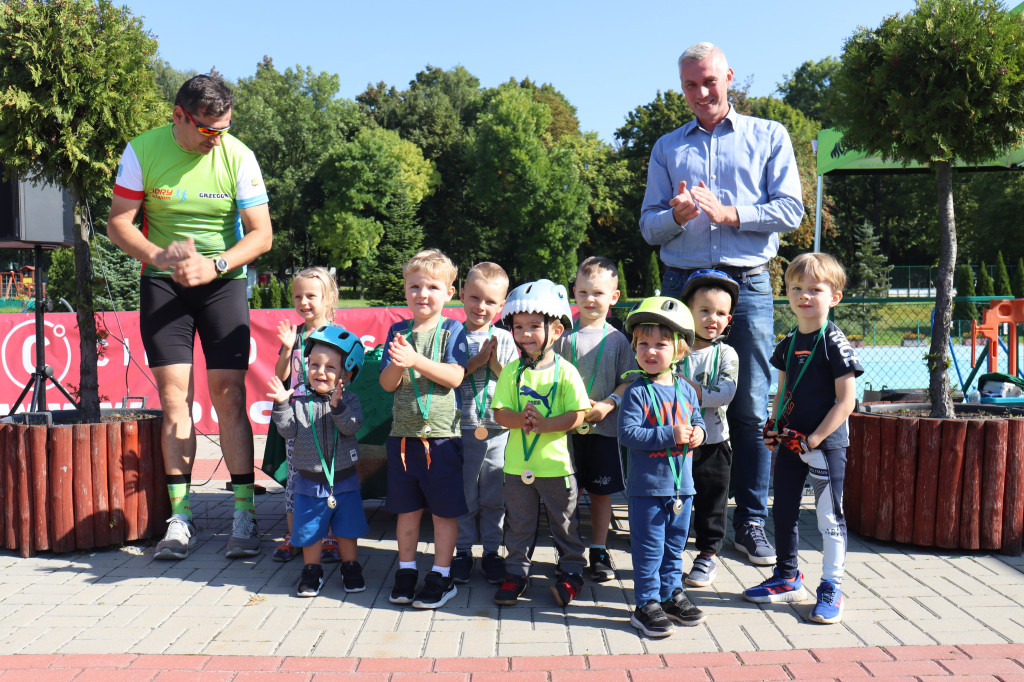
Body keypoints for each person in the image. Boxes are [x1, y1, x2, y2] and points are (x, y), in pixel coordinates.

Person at [639, 42, 804, 566]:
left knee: (752, 402)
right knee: (675, 399)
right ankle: (679, 509)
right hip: (683, 284)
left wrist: (732, 214)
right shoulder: (667, 147)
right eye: (691, 85)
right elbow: (649, 226)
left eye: (710, 81)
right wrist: (679, 216)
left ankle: (750, 521)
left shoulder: (769, 134)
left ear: (729, 77)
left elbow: (792, 210)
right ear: (681, 88)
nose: (702, 92)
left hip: (748, 282)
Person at [106, 75, 272, 560]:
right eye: (207, 129)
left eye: (224, 128)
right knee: (175, 399)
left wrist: (218, 264)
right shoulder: (141, 150)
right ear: (179, 115)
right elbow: (119, 222)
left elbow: (261, 235)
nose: (215, 138)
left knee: (230, 393)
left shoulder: (237, 154)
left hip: (222, 281)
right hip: (164, 284)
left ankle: (244, 512)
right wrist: (160, 257)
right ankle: (181, 518)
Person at [743, 253, 862, 625]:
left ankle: (831, 586)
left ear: (835, 296)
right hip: (791, 444)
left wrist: (815, 438)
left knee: (829, 517)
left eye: (815, 289)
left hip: (824, 446)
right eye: (796, 289)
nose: (804, 296)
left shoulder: (835, 343)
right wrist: (773, 426)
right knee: (783, 511)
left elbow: (848, 401)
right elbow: (781, 391)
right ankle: (787, 576)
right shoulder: (789, 340)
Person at [491, 280, 590, 607]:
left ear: (557, 329)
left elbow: (578, 413)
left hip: (556, 469)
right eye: (518, 327)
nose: (526, 334)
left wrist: (546, 425)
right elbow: (500, 411)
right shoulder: (511, 373)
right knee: (518, 523)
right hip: (517, 468)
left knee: (564, 523)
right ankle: (516, 571)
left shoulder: (566, 372)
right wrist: (520, 420)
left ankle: (572, 569)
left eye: (535, 326)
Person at [379, 248, 468, 610]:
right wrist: (400, 364)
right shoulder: (397, 331)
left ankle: (442, 574)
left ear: (449, 292)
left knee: (444, 513)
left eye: (432, 286)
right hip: (403, 439)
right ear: (405, 290)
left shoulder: (452, 329)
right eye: (415, 286)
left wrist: (417, 360)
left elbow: (455, 376)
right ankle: (406, 570)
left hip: (443, 439)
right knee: (407, 511)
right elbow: (387, 384)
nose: (422, 294)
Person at [618, 297, 707, 638]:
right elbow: (628, 433)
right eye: (643, 344)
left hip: (682, 487)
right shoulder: (637, 392)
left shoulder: (686, 389)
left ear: (680, 350)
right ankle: (646, 604)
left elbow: (697, 420)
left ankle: (671, 594)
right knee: (649, 548)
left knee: (675, 547)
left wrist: (699, 431)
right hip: (648, 488)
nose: (650, 351)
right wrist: (670, 433)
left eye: (660, 344)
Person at [267, 325, 368, 597]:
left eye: (330, 367)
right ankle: (312, 570)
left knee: (347, 529)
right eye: (314, 365)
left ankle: (351, 567)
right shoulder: (299, 402)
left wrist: (339, 408)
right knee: (311, 530)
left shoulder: (351, 400)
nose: (320, 372)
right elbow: (286, 430)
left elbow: (351, 427)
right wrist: (281, 405)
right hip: (309, 483)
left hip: (344, 480)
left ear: (346, 373)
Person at [554, 257, 634, 583]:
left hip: (604, 430)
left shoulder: (618, 340)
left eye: (598, 293)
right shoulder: (562, 339)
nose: (590, 299)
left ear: (613, 297)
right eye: (584, 292)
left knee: (601, 495)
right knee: (567, 493)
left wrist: (609, 403)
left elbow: (630, 380)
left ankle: (599, 549)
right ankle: (570, 551)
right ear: (574, 293)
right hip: (566, 432)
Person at [270, 268, 345, 564]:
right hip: (299, 420)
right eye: (298, 296)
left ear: (329, 298)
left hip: (327, 419)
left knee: (329, 479)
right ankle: (295, 536)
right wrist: (287, 350)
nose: (304, 302)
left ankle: (329, 535)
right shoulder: (295, 335)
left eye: (311, 295)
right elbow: (281, 377)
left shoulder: (338, 336)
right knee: (296, 480)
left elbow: (349, 375)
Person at [452, 263, 517, 585]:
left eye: (490, 302)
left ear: (501, 306)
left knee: (494, 494)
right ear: (462, 295)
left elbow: (515, 383)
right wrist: (475, 363)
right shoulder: (451, 335)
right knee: (464, 495)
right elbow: (446, 377)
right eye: (475, 298)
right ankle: (462, 551)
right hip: (462, 427)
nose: (481, 307)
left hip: (497, 429)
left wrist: (494, 366)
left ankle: (492, 551)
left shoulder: (504, 338)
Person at [677, 270, 739, 587]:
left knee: (712, 502)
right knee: (675, 500)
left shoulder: (726, 353)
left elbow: (726, 392)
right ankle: (670, 553)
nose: (712, 318)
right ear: (688, 311)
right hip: (677, 443)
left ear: (729, 319)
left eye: (720, 313)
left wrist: (692, 391)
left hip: (714, 444)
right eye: (704, 310)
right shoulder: (674, 349)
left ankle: (707, 555)